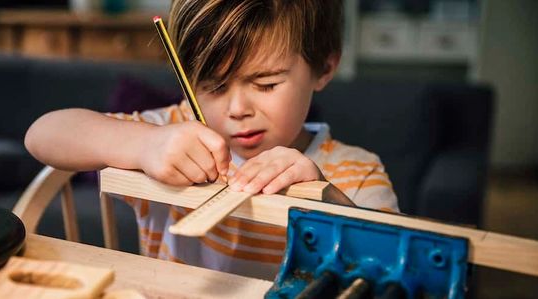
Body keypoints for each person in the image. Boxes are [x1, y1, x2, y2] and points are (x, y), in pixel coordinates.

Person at [25, 0, 398, 280]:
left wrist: (326, 198)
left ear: (325, 68)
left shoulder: (358, 173)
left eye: (266, 84)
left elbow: (398, 272)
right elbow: (42, 134)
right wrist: (143, 146)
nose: (237, 108)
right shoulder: (172, 132)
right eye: (214, 86)